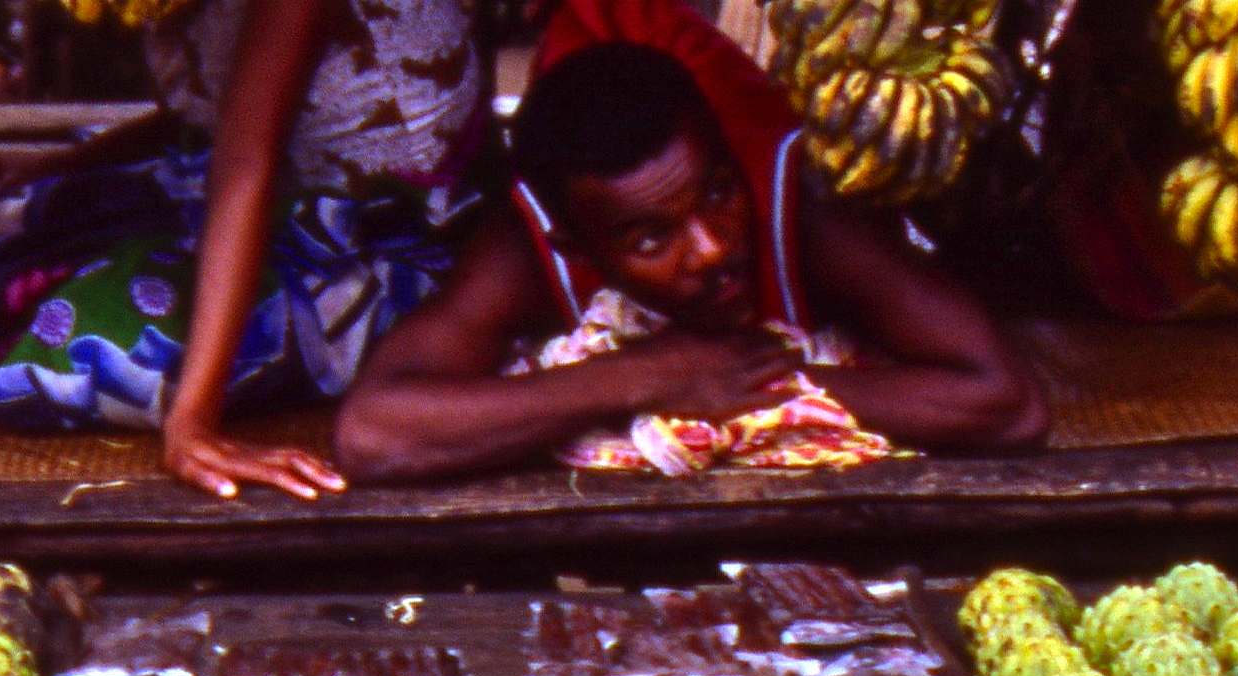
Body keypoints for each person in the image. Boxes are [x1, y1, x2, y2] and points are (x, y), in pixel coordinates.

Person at [332, 28, 1043, 483]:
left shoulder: (797, 206)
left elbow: (1006, 405)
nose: (711, 248)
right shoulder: (526, 248)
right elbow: (375, 433)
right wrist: (641, 377)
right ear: (576, 244)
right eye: (651, 239)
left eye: (716, 193)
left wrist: (761, 386)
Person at [0, 0, 488, 500]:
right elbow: (211, 109)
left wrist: (194, 421)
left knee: (87, 344)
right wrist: (65, 164)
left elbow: (245, 163)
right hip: (269, 188)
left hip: (383, 244)